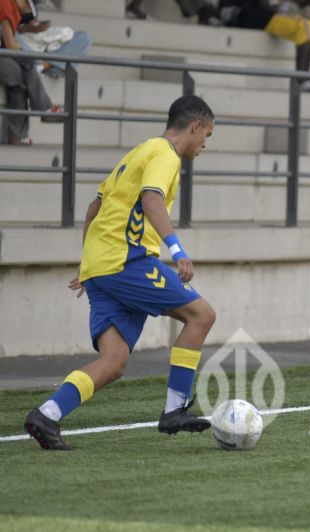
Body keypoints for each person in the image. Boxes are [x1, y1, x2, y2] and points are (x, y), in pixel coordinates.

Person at [24, 95, 218, 450]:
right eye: (207, 134)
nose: (205, 143)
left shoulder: (137, 153)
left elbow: (93, 209)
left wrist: (88, 265)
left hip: (101, 266)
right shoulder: (166, 154)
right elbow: (151, 200)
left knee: (113, 362)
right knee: (201, 315)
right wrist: (177, 251)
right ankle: (175, 409)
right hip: (128, 260)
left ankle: (46, 415)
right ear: (195, 126)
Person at [220, 0, 310, 92]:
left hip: (274, 15)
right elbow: (266, 6)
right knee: (304, 25)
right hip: (258, 16)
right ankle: (301, 80)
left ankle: (305, 77)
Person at [0, 0, 63, 144]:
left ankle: (18, 136)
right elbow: (11, 46)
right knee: (26, 61)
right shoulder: (4, 4)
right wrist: (26, 52)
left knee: (17, 77)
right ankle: (44, 108)